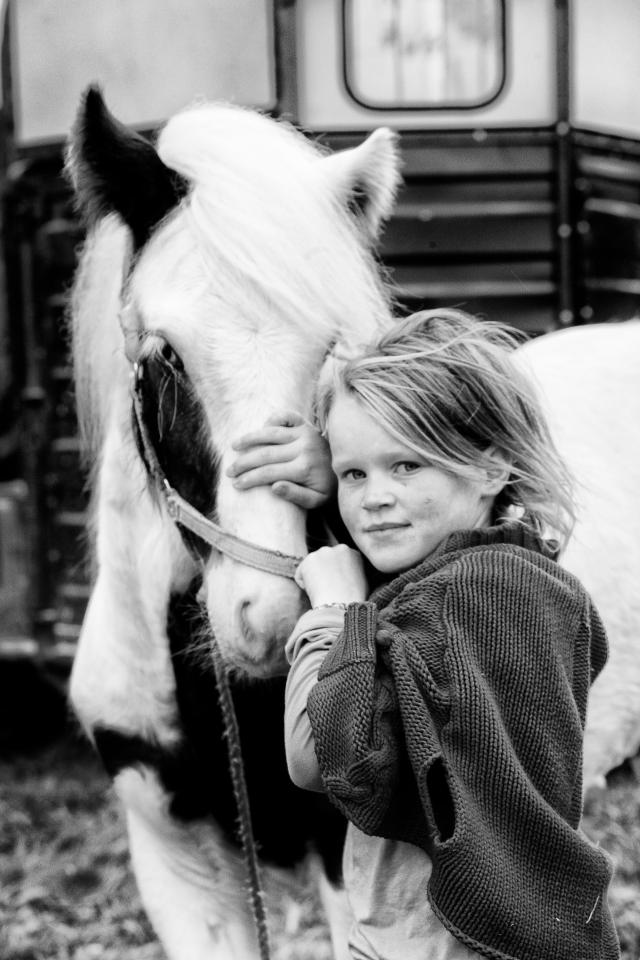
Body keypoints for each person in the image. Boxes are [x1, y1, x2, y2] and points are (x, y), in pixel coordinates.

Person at [228, 309, 620, 960]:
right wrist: (351, 489)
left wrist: (333, 609)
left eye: (407, 465)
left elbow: (323, 760)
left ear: (492, 469)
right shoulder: (533, 586)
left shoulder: (449, 600)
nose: (375, 497)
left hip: (441, 938)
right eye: (356, 474)